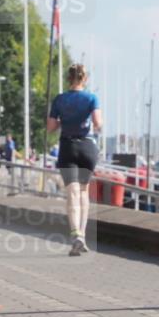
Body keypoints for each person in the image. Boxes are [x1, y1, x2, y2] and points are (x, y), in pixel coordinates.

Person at [47, 63, 103, 256]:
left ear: (68, 78)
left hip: (68, 147)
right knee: (84, 192)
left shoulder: (60, 99)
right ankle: (84, 235)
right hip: (87, 147)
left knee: (72, 192)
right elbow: (98, 123)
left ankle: (75, 234)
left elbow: (51, 127)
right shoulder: (91, 98)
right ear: (84, 79)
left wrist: (65, 120)